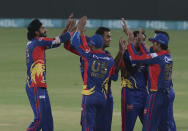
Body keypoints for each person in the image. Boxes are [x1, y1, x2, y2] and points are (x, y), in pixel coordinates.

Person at [64, 18, 124, 131]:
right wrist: (70, 31)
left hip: (98, 96)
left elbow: (74, 44)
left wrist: (77, 30)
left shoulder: (90, 55)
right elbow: (68, 46)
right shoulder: (106, 58)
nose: (110, 39)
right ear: (100, 39)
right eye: (108, 36)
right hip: (102, 97)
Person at [25, 19, 71, 131]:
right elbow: (62, 39)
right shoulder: (38, 42)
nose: (45, 30)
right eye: (43, 28)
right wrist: (76, 30)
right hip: (35, 86)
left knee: (48, 121)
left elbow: (57, 42)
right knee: (40, 119)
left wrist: (67, 28)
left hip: (41, 86)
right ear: (36, 32)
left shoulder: (38, 43)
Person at [126, 29, 176, 131]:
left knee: (148, 126)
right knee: (165, 126)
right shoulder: (167, 56)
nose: (152, 45)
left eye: (154, 42)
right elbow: (148, 55)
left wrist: (130, 43)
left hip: (156, 95)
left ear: (159, 44)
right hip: (168, 94)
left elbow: (135, 58)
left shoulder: (157, 58)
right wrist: (140, 44)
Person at [120, 18, 148, 131]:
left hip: (144, 94)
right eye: (139, 40)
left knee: (149, 125)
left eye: (143, 40)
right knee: (127, 127)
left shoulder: (146, 54)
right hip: (130, 94)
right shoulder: (126, 53)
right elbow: (125, 73)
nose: (141, 43)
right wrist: (139, 62)